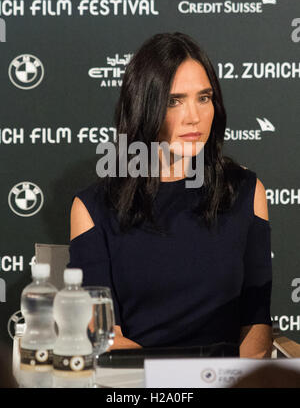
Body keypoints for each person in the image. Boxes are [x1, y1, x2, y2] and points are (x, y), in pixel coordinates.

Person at [68, 32, 273, 357]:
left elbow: (257, 325)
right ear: (144, 107)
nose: (194, 116)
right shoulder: (94, 207)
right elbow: (104, 335)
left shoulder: (246, 192)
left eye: (203, 98)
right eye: (174, 100)